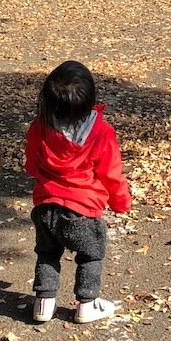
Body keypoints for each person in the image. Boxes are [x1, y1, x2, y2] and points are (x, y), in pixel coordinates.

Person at [24, 60, 132, 324]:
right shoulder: (101, 133)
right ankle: (87, 303)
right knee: (90, 254)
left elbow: (31, 166)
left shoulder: (39, 127)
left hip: (45, 205)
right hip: (83, 209)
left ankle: (44, 303)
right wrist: (121, 202)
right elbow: (111, 174)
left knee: (48, 252)